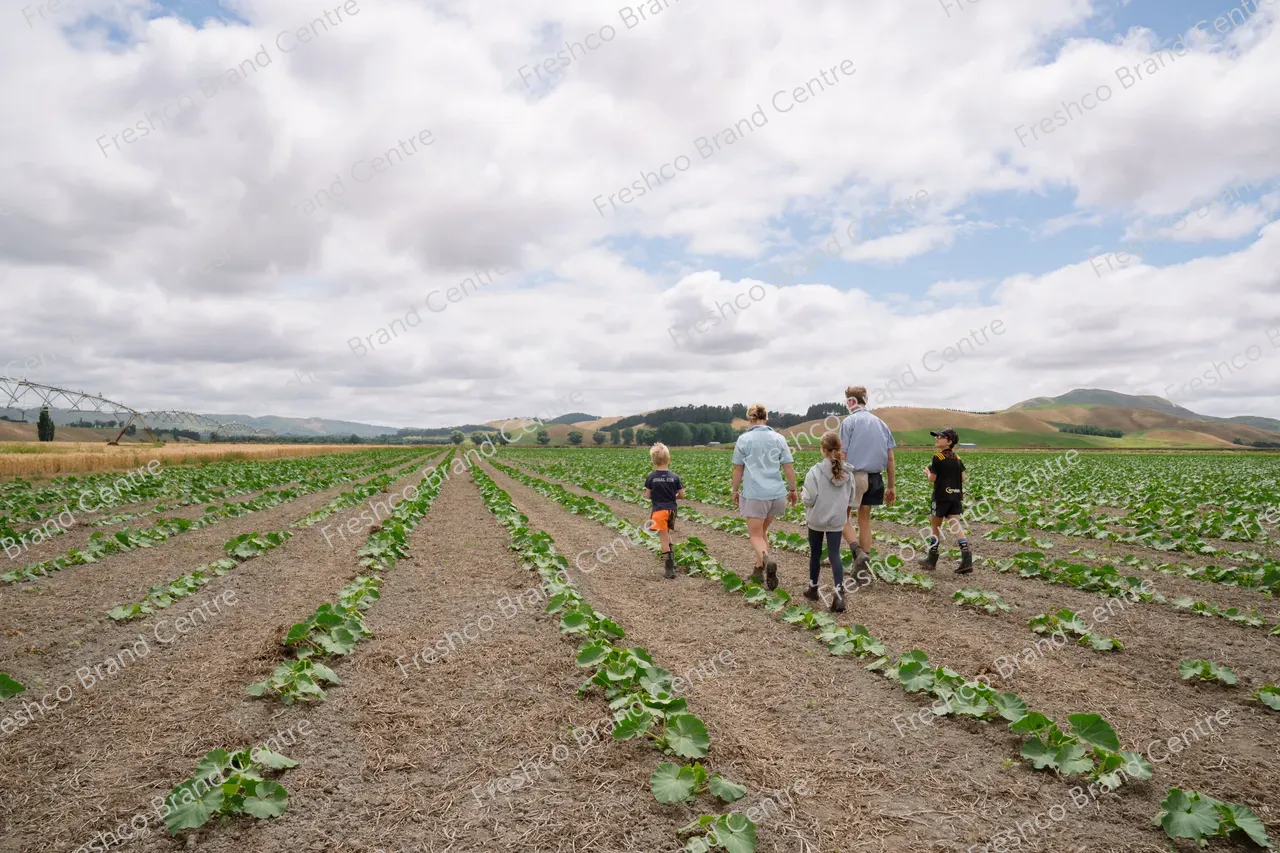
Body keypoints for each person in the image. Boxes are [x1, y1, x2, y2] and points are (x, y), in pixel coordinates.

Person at [730, 403, 799, 590]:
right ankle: (758, 570)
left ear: (750, 418)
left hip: (755, 495)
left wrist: (735, 490)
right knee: (762, 533)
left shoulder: (744, 440)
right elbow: (788, 466)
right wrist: (793, 490)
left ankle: (767, 561)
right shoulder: (779, 439)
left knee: (754, 534)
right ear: (766, 417)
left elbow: (738, 468)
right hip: (776, 495)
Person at [838, 385, 897, 582]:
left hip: (855, 476)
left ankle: (857, 552)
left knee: (841, 517)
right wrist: (891, 486)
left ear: (850, 402)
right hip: (875, 478)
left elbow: (843, 454)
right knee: (864, 520)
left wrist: (837, 475)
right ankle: (863, 570)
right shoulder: (881, 423)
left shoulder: (849, 422)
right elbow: (890, 459)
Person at [800, 432, 852, 612]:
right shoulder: (848, 472)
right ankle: (839, 594)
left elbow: (809, 499)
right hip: (837, 520)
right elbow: (850, 497)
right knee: (834, 555)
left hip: (817, 519)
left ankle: (813, 588)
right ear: (839, 449)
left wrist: (802, 495)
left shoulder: (814, 472)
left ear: (822, 450)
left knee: (815, 554)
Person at [917, 428, 972, 574]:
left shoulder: (937, 458)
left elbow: (932, 479)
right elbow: (963, 478)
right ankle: (967, 560)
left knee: (935, 528)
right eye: (936, 437)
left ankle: (931, 559)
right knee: (956, 527)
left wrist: (928, 472)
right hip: (955, 497)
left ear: (949, 441)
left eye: (940, 437)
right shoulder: (958, 459)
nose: (937, 439)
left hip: (941, 498)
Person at [644, 443, 685, 579]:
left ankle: (669, 567)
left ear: (653, 461)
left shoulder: (651, 477)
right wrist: (674, 496)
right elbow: (682, 495)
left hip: (659, 510)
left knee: (663, 538)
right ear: (669, 459)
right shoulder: (675, 477)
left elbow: (647, 495)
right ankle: (672, 562)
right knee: (666, 532)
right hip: (672, 510)